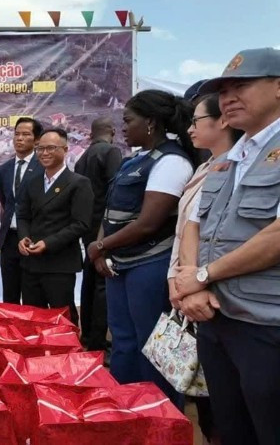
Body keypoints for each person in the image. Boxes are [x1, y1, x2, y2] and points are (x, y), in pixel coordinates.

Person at [173, 48, 280, 445]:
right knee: (232, 428)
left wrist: (202, 276)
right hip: (216, 319)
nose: (228, 98)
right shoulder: (227, 158)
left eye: (242, 86)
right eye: (223, 90)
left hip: (265, 323)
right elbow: (193, 224)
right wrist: (192, 284)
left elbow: (276, 237)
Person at [86, 90, 197, 408]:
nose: (123, 127)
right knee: (123, 341)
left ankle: (159, 415)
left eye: (128, 120)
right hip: (120, 264)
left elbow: (148, 223)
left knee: (152, 345)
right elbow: (111, 213)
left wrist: (100, 246)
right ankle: (126, 410)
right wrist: (103, 250)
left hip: (150, 264)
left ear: (150, 122)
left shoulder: (172, 161)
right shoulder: (135, 160)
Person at [162, 93, 241, 445]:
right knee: (212, 399)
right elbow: (187, 229)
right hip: (190, 285)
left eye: (196, 121)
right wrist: (178, 279)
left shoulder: (242, 167)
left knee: (230, 408)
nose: (190, 128)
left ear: (222, 121)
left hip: (217, 294)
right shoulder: (206, 167)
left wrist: (198, 282)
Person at [17, 128, 93, 325]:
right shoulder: (32, 182)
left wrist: (48, 243)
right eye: (40, 148)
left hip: (60, 263)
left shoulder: (78, 183)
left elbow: (81, 224)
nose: (44, 153)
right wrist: (23, 237)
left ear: (65, 149)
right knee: (33, 319)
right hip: (31, 263)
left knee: (63, 319)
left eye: (50, 148)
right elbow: (23, 215)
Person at [74, 117, 123, 350]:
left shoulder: (82, 158)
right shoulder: (111, 152)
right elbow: (117, 191)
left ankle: (87, 335)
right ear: (112, 131)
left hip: (88, 227)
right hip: (105, 228)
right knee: (103, 282)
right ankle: (97, 340)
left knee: (90, 281)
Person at [0, 117, 44, 305]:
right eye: (17, 134)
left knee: (33, 295)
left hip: (33, 238)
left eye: (26, 134)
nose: (19, 138)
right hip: (9, 238)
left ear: (37, 139)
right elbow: (6, 201)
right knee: (10, 295)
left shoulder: (43, 166)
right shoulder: (4, 169)